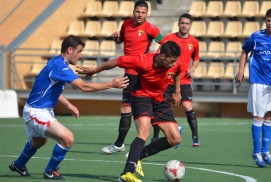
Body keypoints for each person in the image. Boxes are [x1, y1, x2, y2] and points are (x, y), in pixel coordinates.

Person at [8, 35, 128, 180]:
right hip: (36, 112)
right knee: (67, 138)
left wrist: (68, 104)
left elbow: (53, 91)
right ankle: (50, 171)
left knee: (40, 140)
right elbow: (83, 86)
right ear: (70, 50)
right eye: (79, 51)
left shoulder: (56, 62)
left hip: (40, 110)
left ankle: (19, 165)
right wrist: (111, 84)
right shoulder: (60, 66)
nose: (80, 55)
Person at [77, 41, 181, 182]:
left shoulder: (175, 63)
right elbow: (117, 61)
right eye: (171, 61)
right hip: (141, 97)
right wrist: (95, 70)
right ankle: (126, 174)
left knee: (175, 138)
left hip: (160, 99)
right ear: (162, 56)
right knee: (144, 132)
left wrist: (177, 91)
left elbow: (177, 72)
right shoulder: (142, 61)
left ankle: (137, 155)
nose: (174, 64)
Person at [101, 0, 164, 154]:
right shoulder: (126, 24)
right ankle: (120, 144)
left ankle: (163, 131)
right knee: (126, 107)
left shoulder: (151, 28)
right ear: (133, 11)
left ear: (146, 14)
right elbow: (121, 40)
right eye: (137, 12)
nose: (139, 15)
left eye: (142, 12)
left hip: (142, 74)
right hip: (128, 73)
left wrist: (155, 58)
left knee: (144, 107)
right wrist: (116, 37)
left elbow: (164, 41)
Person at [235, 8, 271, 168]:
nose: (270, 23)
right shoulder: (256, 36)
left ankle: (266, 151)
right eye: (268, 20)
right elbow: (244, 51)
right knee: (259, 117)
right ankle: (256, 152)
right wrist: (240, 71)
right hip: (258, 82)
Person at [151, 13, 200, 147]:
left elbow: (196, 58)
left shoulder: (194, 42)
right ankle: (156, 136)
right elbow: (158, 55)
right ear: (178, 24)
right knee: (159, 106)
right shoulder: (168, 39)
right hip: (166, 80)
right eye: (182, 23)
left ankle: (195, 137)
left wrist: (193, 68)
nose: (184, 26)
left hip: (184, 80)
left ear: (190, 25)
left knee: (187, 106)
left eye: (187, 23)